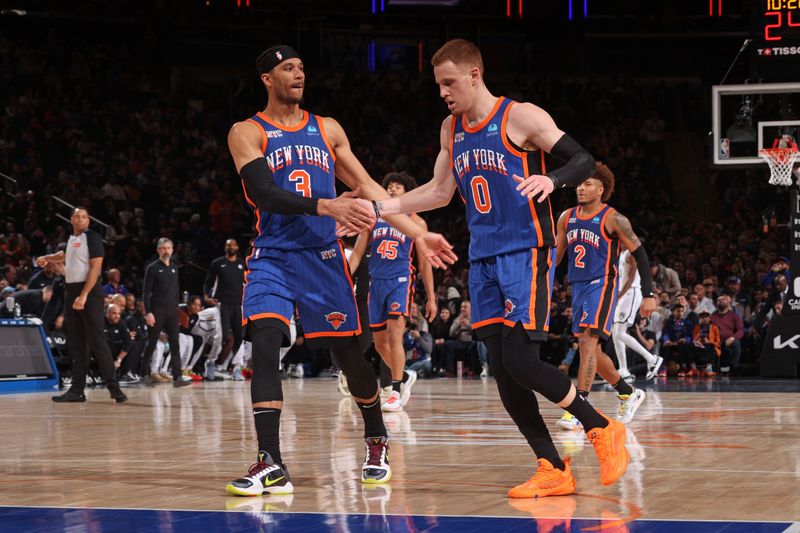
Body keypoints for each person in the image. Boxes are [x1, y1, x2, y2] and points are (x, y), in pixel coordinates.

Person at [371, 39, 628, 498]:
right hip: (483, 257)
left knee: (520, 360)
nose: (443, 92)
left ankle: (601, 426)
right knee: (503, 371)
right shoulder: (451, 129)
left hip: (527, 251)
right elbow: (438, 191)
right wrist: (382, 208)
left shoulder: (520, 117)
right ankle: (552, 467)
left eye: (449, 83)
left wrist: (552, 179)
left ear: (474, 75)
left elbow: (582, 159)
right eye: (438, 85)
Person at [224, 44, 455, 497]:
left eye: (302, 67)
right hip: (272, 255)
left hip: (324, 260)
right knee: (265, 343)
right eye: (288, 68)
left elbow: (368, 188)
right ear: (267, 79)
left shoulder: (326, 129)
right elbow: (264, 194)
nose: (298, 74)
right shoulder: (246, 132)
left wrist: (416, 234)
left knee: (350, 358)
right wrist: (326, 205)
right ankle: (270, 460)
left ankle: (376, 439)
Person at [554, 164, 653, 430]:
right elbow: (556, 255)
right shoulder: (567, 217)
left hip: (602, 284)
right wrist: (540, 281)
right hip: (578, 286)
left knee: (587, 342)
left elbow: (640, 255)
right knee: (593, 352)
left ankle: (579, 407)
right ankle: (628, 393)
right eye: (578, 184)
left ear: (601, 189)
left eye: (587, 184)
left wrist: (649, 294)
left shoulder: (613, 218)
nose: (580, 188)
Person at [349, 172, 437, 411]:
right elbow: (357, 252)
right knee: (379, 344)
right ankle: (405, 376)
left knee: (394, 335)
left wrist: (431, 297)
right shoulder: (372, 218)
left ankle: (395, 389)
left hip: (400, 281)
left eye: (398, 187)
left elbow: (425, 262)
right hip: (376, 283)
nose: (392, 189)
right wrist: (345, 278)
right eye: (388, 186)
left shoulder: (416, 222)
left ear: (408, 193)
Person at [37, 207, 127, 403]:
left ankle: (114, 388)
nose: (80, 219)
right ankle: (77, 390)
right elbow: (64, 255)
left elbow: (96, 267)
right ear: (71, 220)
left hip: (89, 292)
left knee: (97, 341)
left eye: (84, 217)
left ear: (88, 221)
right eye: (76, 216)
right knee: (78, 344)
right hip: (72, 291)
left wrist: (84, 295)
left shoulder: (92, 237)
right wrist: (47, 258)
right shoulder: (72, 239)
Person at [140, 238, 191, 387]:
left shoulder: (175, 268)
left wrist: (178, 311)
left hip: (171, 312)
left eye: (168, 248)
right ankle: (144, 373)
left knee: (175, 344)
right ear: (158, 250)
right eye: (163, 248)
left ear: (172, 249)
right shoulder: (152, 268)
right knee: (152, 342)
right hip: (156, 311)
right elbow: (146, 292)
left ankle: (177, 377)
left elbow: (175, 291)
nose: (166, 251)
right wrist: (148, 313)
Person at [612, 249, 664, 381]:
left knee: (619, 332)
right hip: (624, 293)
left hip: (631, 293)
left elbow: (630, 278)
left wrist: (619, 296)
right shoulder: (622, 254)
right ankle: (624, 370)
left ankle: (652, 359)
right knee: (616, 332)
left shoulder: (630, 253)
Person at [203, 238, 246, 378]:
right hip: (221, 304)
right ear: (225, 248)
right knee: (223, 337)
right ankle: (211, 362)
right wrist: (206, 297)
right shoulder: (217, 263)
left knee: (240, 337)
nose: (231, 247)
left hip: (238, 304)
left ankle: (235, 368)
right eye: (228, 245)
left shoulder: (242, 264)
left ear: (237, 247)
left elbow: (247, 283)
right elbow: (208, 282)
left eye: (233, 245)